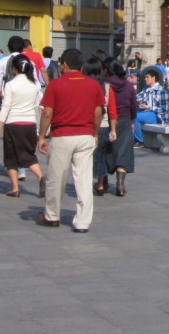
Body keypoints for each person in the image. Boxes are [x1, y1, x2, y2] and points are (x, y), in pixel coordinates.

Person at [37, 48, 107, 232]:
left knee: (56, 178)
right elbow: (98, 112)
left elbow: (47, 113)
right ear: (82, 66)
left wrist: (42, 136)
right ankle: (83, 222)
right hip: (85, 135)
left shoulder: (55, 85)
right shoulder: (93, 85)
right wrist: (95, 133)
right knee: (83, 179)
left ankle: (52, 215)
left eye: (61, 65)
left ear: (65, 65)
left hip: (62, 135)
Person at [0, 54, 46, 197]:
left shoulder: (10, 85)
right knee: (29, 154)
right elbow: (37, 105)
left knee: (11, 157)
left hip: (13, 124)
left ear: (14, 69)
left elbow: (5, 108)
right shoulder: (35, 84)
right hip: (30, 123)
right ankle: (41, 177)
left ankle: (15, 188)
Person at [83, 56, 117, 196]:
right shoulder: (107, 87)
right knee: (102, 156)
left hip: (87, 126)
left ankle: (86, 183)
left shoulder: (85, 86)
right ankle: (101, 184)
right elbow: (112, 111)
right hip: (103, 126)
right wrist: (113, 129)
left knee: (86, 157)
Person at [104, 58, 137, 197]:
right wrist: (132, 120)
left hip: (107, 120)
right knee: (124, 151)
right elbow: (134, 105)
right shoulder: (128, 85)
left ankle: (102, 180)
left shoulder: (105, 84)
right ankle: (120, 184)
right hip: (124, 120)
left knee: (105, 150)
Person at [134, 70, 169, 147]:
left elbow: (164, 110)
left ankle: (140, 141)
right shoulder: (146, 90)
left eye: (147, 77)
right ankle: (135, 139)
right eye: (145, 77)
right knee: (130, 114)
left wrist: (149, 107)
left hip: (158, 116)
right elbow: (136, 98)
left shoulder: (161, 91)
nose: (145, 79)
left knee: (134, 116)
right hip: (147, 113)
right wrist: (140, 104)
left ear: (153, 78)